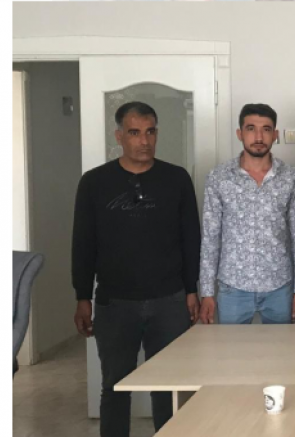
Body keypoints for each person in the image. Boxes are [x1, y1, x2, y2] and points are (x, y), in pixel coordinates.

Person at [72, 101, 200, 437]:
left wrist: (192, 290)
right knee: (115, 385)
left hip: (169, 301)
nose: (144, 140)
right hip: (115, 303)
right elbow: (83, 243)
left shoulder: (176, 179)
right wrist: (82, 296)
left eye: (150, 131)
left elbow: (191, 238)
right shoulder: (94, 182)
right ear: (119, 136)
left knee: (168, 386)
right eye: (134, 132)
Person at [198, 103, 295, 325]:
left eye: (266, 129)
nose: (258, 137)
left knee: (281, 347)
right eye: (251, 128)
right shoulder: (219, 177)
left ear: (275, 135)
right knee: (232, 348)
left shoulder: (290, 177)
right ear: (240, 133)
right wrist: (207, 292)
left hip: (280, 286)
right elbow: (210, 238)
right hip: (233, 286)